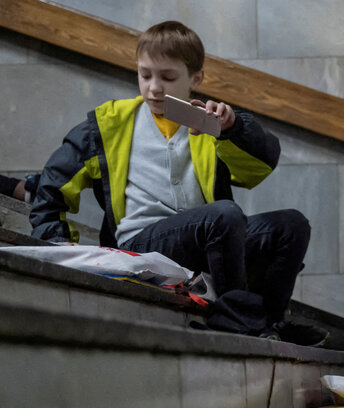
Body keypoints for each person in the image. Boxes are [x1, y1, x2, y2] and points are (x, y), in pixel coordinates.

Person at [29, 21, 323, 345]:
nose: (154, 87)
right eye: (145, 75)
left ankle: (272, 321)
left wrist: (233, 128)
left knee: (291, 225)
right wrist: (55, 245)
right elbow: (53, 186)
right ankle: (237, 321)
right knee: (223, 214)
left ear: (196, 79)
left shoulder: (211, 123)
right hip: (140, 244)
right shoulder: (108, 123)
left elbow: (263, 164)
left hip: (207, 240)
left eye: (167, 77)